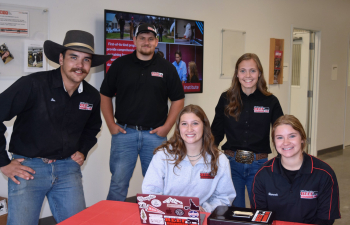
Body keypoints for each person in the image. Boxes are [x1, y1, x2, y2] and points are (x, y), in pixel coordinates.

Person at [0, 30, 112, 225]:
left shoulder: (91, 95)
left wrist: (83, 150)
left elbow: (93, 127)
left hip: (68, 169)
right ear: (61, 58)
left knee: (77, 222)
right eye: (73, 57)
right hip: (29, 168)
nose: (80, 65)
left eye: (86, 60)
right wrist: (2, 162)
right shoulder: (33, 85)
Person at [100, 23, 185, 202]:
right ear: (134, 41)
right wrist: (110, 125)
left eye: (150, 39)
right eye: (142, 38)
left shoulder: (167, 68)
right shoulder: (120, 65)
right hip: (124, 134)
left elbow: (178, 99)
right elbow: (105, 94)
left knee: (157, 185)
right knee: (118, 184)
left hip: (155, 136)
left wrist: (167, 127)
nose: (146, 42)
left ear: (156, 42)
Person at [211, 53, 283, 208]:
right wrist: (206, 154)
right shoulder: (226, 98)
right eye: (243, 71)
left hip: (259, 165)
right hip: (231, 165)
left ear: (260, 73)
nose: (248, 75)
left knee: (260, 212)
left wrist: (284, 159)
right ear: (237, 74)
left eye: (253, 70)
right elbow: (216, 132)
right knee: (234, 213)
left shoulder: (270, 101)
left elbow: (280, 132)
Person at [142, 105, 236, 212]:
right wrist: (170, 210)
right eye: (184, 124)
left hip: (201, 218)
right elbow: (150, 191)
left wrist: (204, 210)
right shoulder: (163, 155)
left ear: (204, 126)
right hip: (167, 216)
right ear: (178, 128)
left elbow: (224, 197)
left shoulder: (220, 160)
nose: (189, 129)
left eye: (195, 123)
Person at [251, 115, 341, 225]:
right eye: (279, 137)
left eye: (292, 136)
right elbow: (259, 216)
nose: (286, 142)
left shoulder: (324, 174)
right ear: (274, 142)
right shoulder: (263, 174)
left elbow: (326, 219)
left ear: (302, 138)